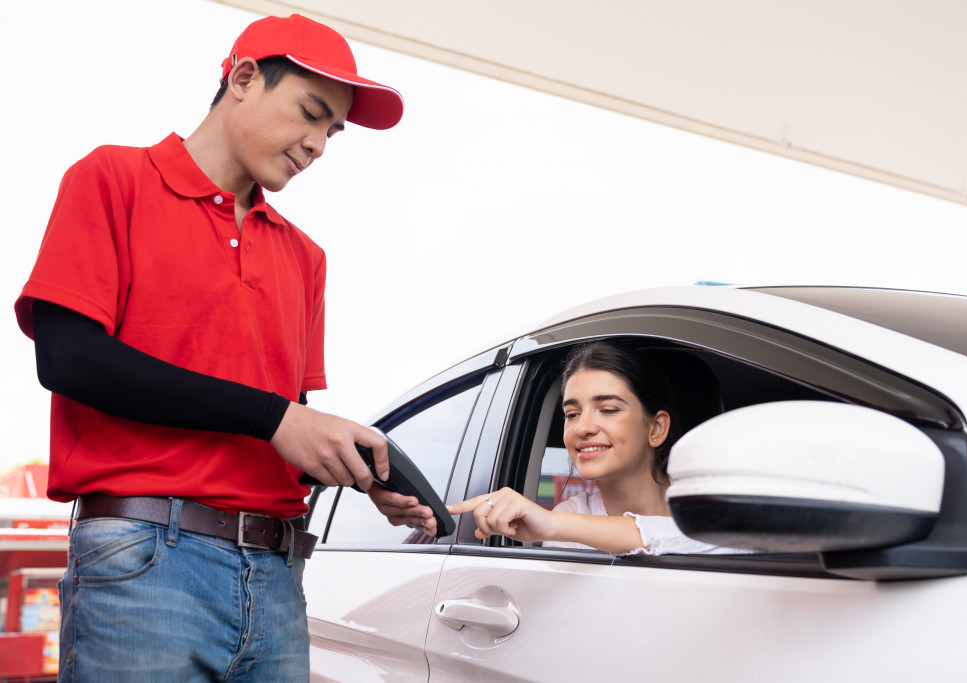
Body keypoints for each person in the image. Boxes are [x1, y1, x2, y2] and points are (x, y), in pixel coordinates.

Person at [15, 13, 433, 681]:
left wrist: (352, 473)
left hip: (276, 579)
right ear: (242, 78)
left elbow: (277, 428)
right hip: (145, 567)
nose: (320, 143)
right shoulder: (112, 179)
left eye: (333, 131)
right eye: (311, 112)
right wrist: (276, 416)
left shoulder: (305, 257)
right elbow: (68, 358)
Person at [448, 342, 746, 556]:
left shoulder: (712, 505)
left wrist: (555, 525)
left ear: (656, 428)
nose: (582, 428)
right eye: (572, 414)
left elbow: (717, 539)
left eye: (607, 409)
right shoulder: (573, 516)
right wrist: (558, 526)